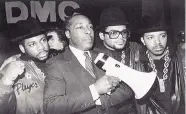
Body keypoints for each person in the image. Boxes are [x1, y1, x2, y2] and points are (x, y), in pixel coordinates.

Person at [44, 13, 133, 114]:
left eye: (90, 27)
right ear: (68, 34)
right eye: (80, 27)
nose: (88, 31)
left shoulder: (105, 54)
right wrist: (94, 90)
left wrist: (100, 100)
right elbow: (52, 106)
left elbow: (127, 89)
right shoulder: (56, 63)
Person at [95, 6, 144, 113]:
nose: (121, 37)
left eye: (124, 32)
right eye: (113, 33)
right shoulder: (93, 56)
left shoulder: (135, 49)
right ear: (102, 35)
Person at [0, 17, 49, 114]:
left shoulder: (57, 60)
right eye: (32, 44)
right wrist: (6, 81)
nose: (41, 47)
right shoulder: (13, 66)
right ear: (22, 48)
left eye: (43, 40)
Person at [137, 18, 185, 114]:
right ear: (143, 40)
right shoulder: (138, 64)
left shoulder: (179, 58)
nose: (158, 42)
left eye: (162, 36)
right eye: (151, 38)